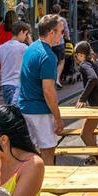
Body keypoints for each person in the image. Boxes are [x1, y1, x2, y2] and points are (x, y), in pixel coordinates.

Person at [17, 14, 64, 165]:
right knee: (47, 152)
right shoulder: (48, 56)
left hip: (24, 107)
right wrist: (57, 118)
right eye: (61, 31)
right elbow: (48, 91)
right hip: (40, 112)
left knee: (28, 153)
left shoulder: (31, 48)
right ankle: (46, 185)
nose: (62, 35)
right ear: (52, 32)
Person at [0, 22, 31, 105]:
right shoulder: (24, 48)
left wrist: (4, 75)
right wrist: (30, 41)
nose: (26, 37)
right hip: (17, 85)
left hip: (5, 84)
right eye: (26, 34)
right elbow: (37, 54)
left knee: (11, 111)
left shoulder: (2, 47)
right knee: (16, 112)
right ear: (21, 32)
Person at [0, 10, 17, 89]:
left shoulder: (1, 25)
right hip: (10, 47)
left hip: (0, 46)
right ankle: (6, 81)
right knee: (7, 65)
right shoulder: (16, 27)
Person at [50, 4, 70, 89]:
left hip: (49, 43)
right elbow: (66, 32)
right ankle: (57, 79)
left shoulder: (48, 19)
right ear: (60, 11)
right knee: (61, 61)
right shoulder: (62, 20)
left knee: (50, 61)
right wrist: (67, 38)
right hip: (59, 43)